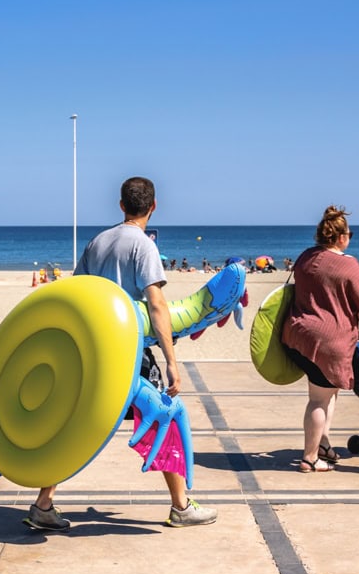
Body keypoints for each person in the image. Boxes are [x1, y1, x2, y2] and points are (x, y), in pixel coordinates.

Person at [27, 176, 217, 531]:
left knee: (72, 423)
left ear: (120, 205)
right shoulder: (143, 246)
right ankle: (181, 507)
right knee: (166, 416)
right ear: (154, 206)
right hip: (130, 353)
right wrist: (172, 361)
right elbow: (157, 306)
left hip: (91, 351)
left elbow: (77, 292)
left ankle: (43, 503)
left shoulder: (98, 241)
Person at [281, 206, 359, 473]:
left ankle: (322, 444)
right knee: (318, 399)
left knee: (329, 392)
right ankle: (310, 457)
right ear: (342, 236)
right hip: (328, 342)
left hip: (297, 335)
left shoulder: (306, 257)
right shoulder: (348, 265)